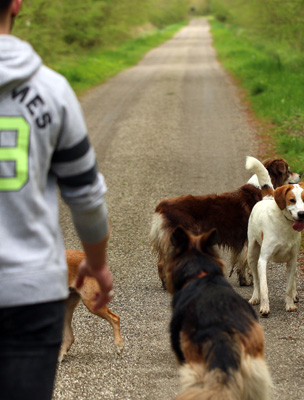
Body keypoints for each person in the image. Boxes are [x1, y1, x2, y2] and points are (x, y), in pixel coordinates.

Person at [0, 1, 114, 399]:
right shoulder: (52, 90)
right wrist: (96, 263)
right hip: (29, 291)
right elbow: (85, 195)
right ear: (16, 4)